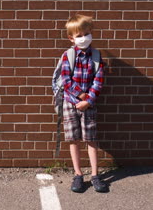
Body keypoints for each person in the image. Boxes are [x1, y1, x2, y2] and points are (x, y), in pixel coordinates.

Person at [60, 13, 109, 193]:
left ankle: (95, 175)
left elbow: (98, 80)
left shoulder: (96, 56)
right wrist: (81, 97)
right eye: (79, 36)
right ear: (71, 38)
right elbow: (66, 80)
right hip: (70, 103)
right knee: (74, 140)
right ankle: (78, 174)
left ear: (91, 33)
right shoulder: (68, 55)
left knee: (91, 139)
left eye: (86, 34)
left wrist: (89, 100)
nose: (83, 38)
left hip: (89, 104)